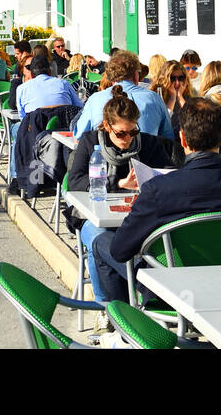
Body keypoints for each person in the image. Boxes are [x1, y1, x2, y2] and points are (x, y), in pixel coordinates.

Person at [90, 98, 221, 303]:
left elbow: (120, 250)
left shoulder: (158, 189)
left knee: (101, 243)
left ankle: (125, 325)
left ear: (182, 139)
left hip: (171, 293)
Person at [67, 86, 182, 300]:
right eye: (120, 133)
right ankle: (109, 306)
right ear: (106, 126)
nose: (127, 138)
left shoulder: (147, 143)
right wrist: (118, 183)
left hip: (135, 215)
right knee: (99, 240)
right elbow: (75, 181)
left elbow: (168, 174)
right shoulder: (90, 142)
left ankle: (133, 300)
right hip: (94, 216)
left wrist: (150, 181)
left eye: (133, 132)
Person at [7, 49, 83, 194]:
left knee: (16, 131)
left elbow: (24, 117)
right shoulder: (63, 83)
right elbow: (79, 107)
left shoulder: (22, 88)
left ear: (31, 72)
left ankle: (18, 177)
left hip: (36, 130)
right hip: (64, 128)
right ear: (50, 70)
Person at [71, 51, 171, 139]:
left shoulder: (96, 99)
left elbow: (79, 135)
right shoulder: (154, 98)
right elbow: (168, 137)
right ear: (136, 75)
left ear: (110, 77)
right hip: (147, 158)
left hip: (104, 158)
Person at [151, 59, 195, 136]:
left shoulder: (188, 95)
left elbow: (194, 121)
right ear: (164, 79)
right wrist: (172, 98)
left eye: (180, 78)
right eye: (172, 78)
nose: (177, 83)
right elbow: (162, 126)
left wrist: (180, 97)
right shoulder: (156, 95)